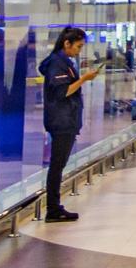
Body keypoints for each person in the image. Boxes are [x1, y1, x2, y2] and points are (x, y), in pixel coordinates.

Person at [40, 27, 98, 222]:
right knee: (57, 165)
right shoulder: (57, 63)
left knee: (59, 164)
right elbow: (62, 92)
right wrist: (83, 79)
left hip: (67, 120)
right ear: (67, 43)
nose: (79, 50)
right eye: (78, 46)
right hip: (61, 121)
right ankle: (53, 209)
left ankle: (54, 206)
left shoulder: (64, 62)